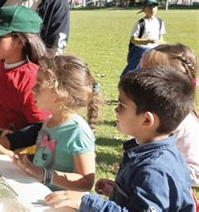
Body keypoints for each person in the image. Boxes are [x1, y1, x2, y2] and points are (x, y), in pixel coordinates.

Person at [45, 67, 196, 211]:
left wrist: (88, 202)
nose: (116, 110)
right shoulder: (153, 151)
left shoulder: (155, 170)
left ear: (147, 121)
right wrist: (119, 192)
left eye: (121, 106)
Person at [0, 55, 99, 192]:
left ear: (60, 94)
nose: (32, 89)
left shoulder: (78, 131)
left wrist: (43, 175)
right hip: (38, 193)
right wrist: (18, 158)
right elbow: (43, 159)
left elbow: (86, 182)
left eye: (38, 85)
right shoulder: (48, 122)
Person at [0, 6, 51, 140]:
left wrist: (8, 140)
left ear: (20, 41)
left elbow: (42, 126)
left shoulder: (32, 77)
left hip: (18, 156)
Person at [140, 43, 199, 187]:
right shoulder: (153, 110)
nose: (138, 77)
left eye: (148, 74)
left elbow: (196, 172)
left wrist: (152, 172)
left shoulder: (183, 121)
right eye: (140, 70)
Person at [120, 0, 166, 78]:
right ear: (144, 10)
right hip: (140, 51)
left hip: (155, 51)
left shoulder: (160, 22)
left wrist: (162, 43)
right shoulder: (141, 23)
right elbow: (133, 40)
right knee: (130, 74)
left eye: (154, 7)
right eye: (150, 7)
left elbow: (161, 37)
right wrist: (147, 41)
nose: (152, 9)